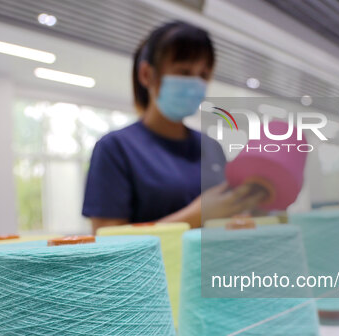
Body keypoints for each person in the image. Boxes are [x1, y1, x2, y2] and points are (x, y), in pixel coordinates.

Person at [83, 21, 266, 233]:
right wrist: (196, 215)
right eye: (184, 72)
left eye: (203, 75)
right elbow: (108, 241)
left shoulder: (211, 147)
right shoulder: (116, 149)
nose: (195, 83)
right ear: (147, 75)